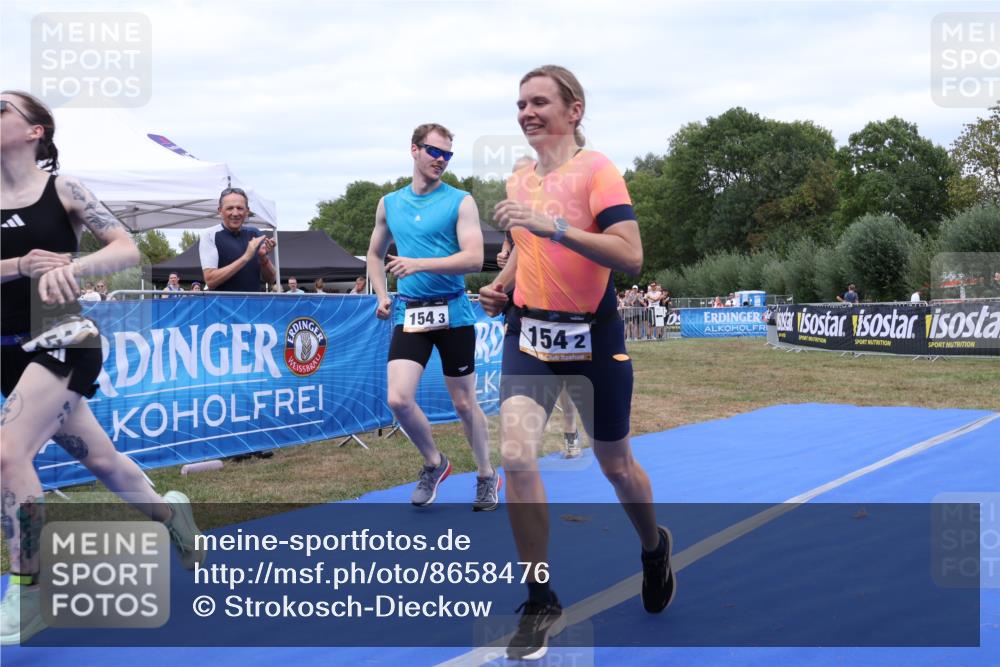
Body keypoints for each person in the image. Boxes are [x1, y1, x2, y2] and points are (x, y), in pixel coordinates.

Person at [478, 66, 674, 660]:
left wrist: (555, 226)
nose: (527, 112)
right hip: (529, 335)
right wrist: (503, 284)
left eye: (540, 102)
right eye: (520, 104)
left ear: (574, 110)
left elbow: (631, 255)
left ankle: (653, 545)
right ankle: (540, 599)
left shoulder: (598, 171)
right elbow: (525, 248)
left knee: (615, 465)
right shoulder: (518, 179)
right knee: (515, 453)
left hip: (594, 337)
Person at [0, 90, 203, 645]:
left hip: (63, 336)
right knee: (104, 460)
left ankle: (30, 588)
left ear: (34, 130)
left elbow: (125, 249)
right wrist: (18, 265)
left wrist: (75, 266)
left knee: (6, 454)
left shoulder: (63, 188)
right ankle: (171, 517)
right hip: (7, 351)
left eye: (1, 108)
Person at [365, 122, 499, 511]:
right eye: (434, 151)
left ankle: (487, 474)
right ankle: (434, 463)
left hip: (453, 311)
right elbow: (375, 254)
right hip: (411, 313)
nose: (440, 160)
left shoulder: (461, 201)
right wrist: (381, 293)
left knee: (463, 403)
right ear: (414, 150)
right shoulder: (389, 203)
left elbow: (474, 258)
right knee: (398, 398)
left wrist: (418, 264)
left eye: (447, 154)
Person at [198, 187, 276, 292]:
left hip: (253, 305)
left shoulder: (255, 233)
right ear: (220, 211)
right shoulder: (209, 235)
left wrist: (263, 259)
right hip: (222, 306)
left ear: (247, 211)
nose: (235, 213)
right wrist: (246, 257)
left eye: (240, 208)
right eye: (230, 208)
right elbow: (210, 281)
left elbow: (271, 279)